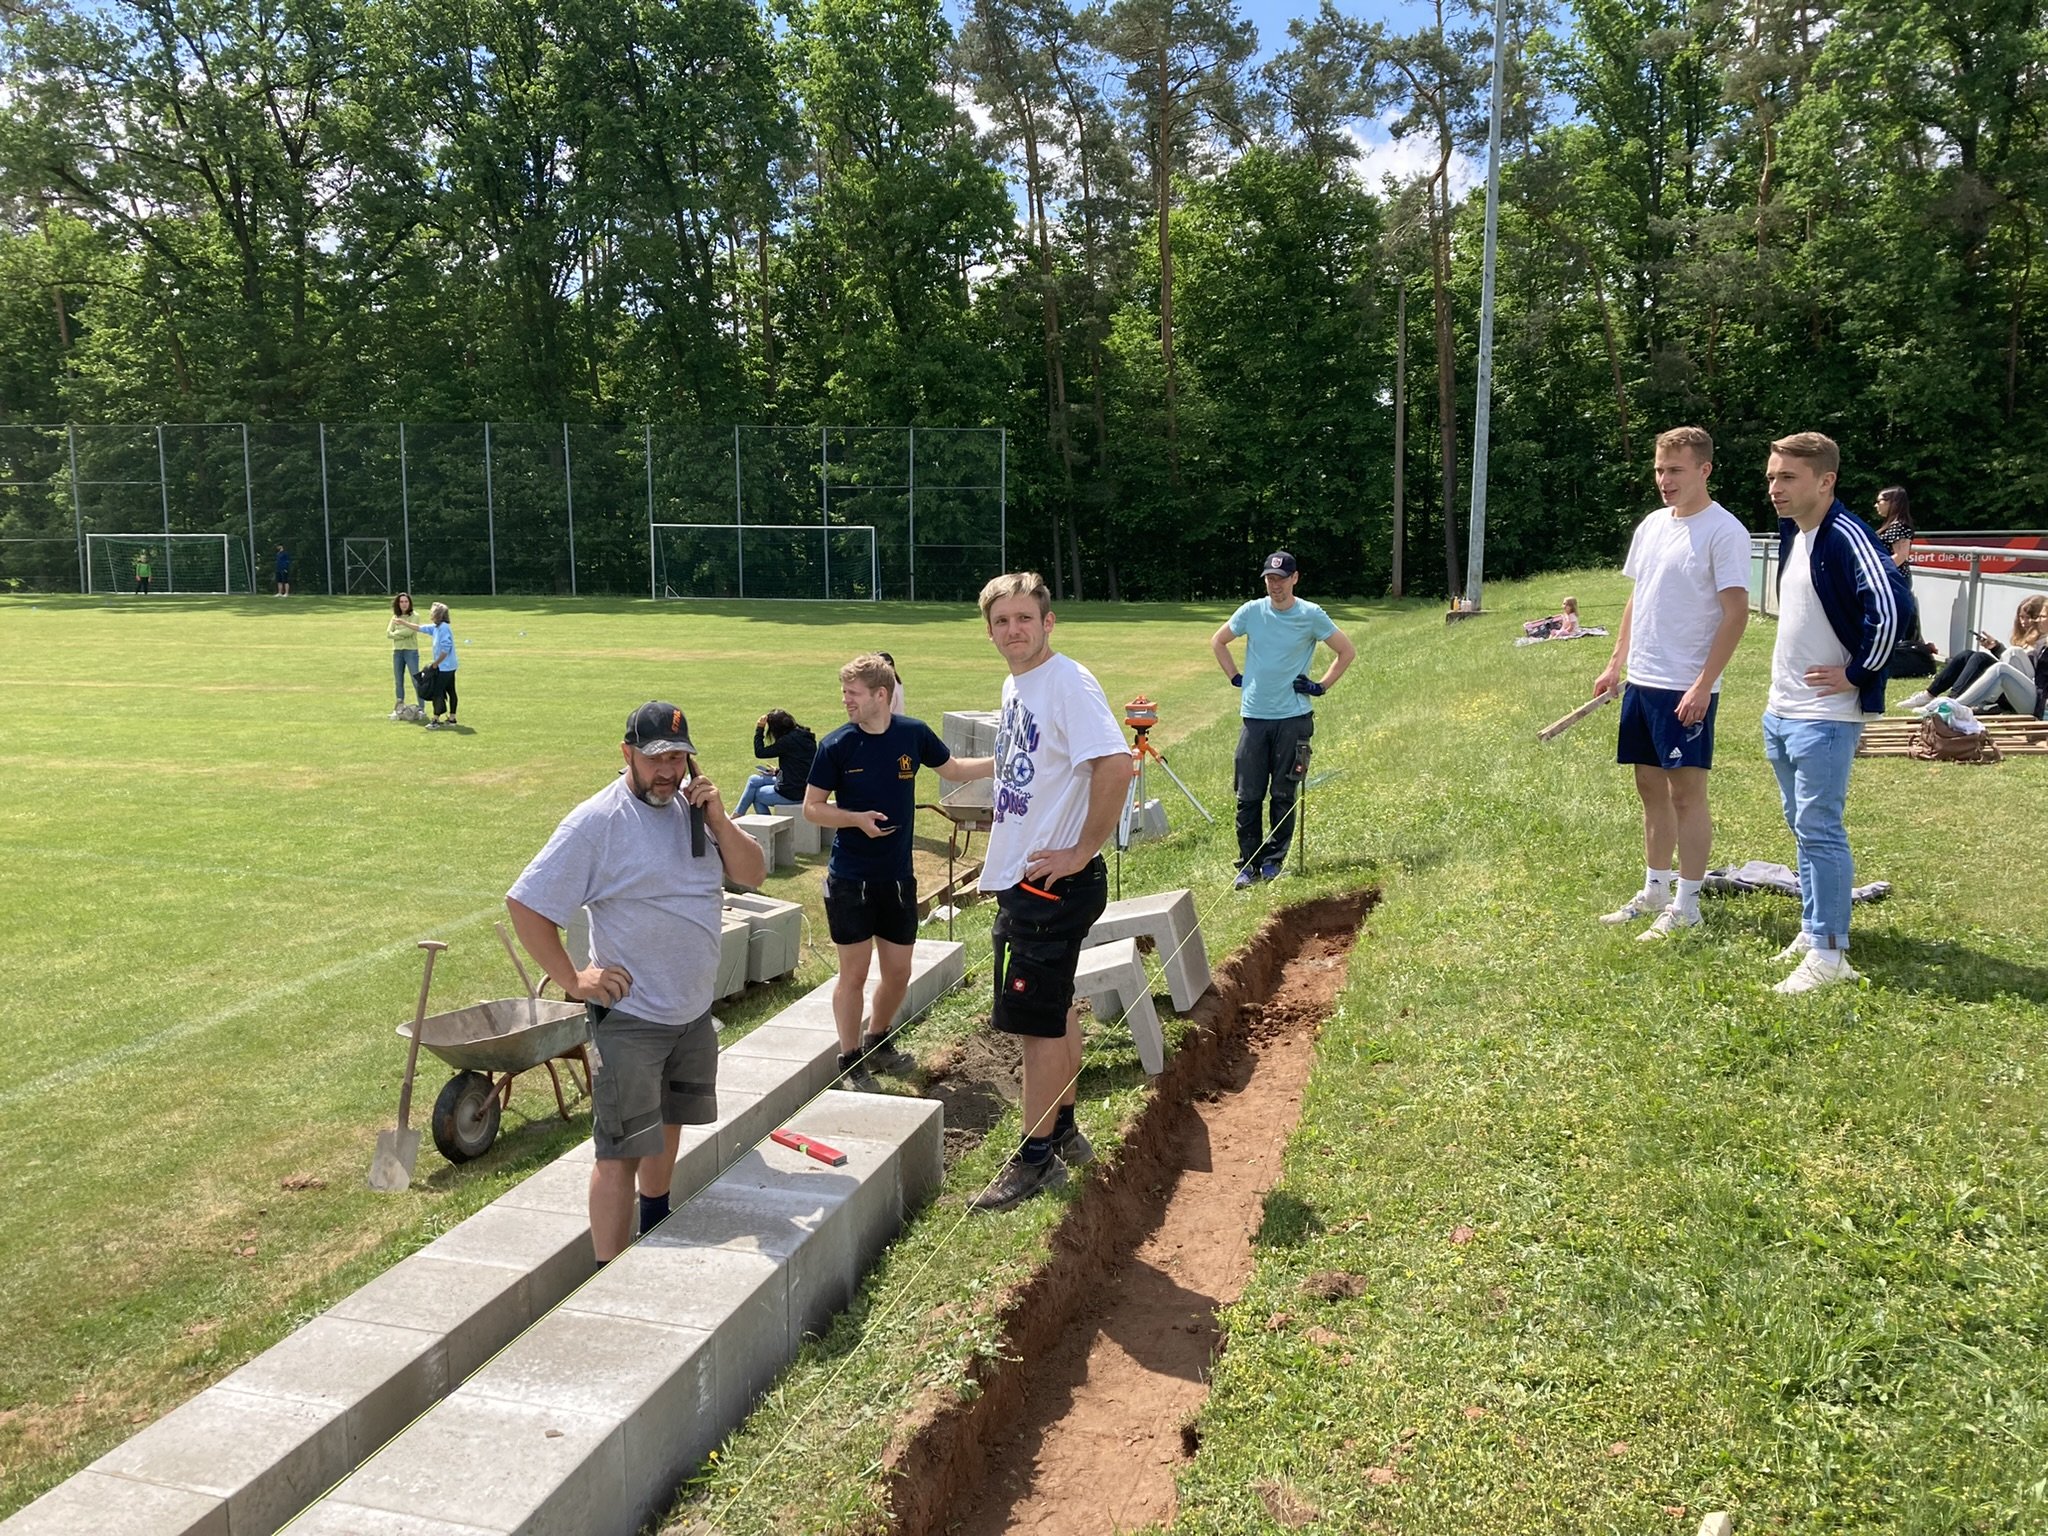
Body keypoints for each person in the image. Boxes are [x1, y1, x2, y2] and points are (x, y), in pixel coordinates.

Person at [507, 702, 767, 1262]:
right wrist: (574, 977)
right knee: (620, 1150)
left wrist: (720, 820)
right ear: (626, 753)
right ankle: (606, 1271)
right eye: (655, 759)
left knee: (669, 1121)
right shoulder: (597, 822)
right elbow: (526, 904)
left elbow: (753, 874)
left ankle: (655, 1223)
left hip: (690, 1012)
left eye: (678, 758)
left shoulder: (695, 809)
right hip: (631, 1018)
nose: (667, 771)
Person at [970, 572, 1131, 1212]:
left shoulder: (1067, 682)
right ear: (990, 631)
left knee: (1034, 1025)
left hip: (1050, 887)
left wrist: (1081, 850)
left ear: (1048, 622)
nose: (1013, 630)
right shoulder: (1017, 683)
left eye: (1024, 618)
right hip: (1030, 881)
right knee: (1056, 1008)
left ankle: (1033, 1159)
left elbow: (1115, 765)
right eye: (1001, 621)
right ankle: (1062, 1128)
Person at [1761, 432, 1909, 995]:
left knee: (1820, 829)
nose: (1775, 488)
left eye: (1787, 477)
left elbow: (1892, 607)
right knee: (1802, 825)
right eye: (1772, 476)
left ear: (1825, 481)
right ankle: (1812, 927)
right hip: (1783, 709)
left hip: (1825, 716)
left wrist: (1858, 673)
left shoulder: (1847, 534)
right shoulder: (1797, 532)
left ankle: (1830, 954)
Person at [1591, 427, 1753, 939]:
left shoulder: (1724, 531)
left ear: (1704, 470)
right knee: (1649, 788)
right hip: (1643, 680)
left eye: (1675, 470)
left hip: (1686, 686)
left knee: (1686, 794)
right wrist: (1616, 663)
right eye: (1660, 469)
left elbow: (1736, 613)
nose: (1664, 479)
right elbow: (1639, 598)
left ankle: (1688, 904)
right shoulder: (1653, 525)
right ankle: (1655, 890)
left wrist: (1704, 684)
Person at [803, 656, 992, 1089]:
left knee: (899, 972)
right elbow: (812, 808)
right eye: (844, 692)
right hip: (851, 879)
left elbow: (953, 769)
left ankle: (877, 1040)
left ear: (881, 695)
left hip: (898, 878)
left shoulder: (913, 734)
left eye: (853, 693)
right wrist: (855, 819)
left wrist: (1002, 761)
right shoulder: (836, 745)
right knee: (853, 974)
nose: (845, 700)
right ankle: (850, 1059)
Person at [1209, 551, 1357, 888]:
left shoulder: (1311, 615)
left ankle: (1274, 862)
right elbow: (1218, 641)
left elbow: (1346, 652)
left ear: (1295, 578)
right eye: (1269, 580)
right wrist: (1234, 676)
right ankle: (1248, 865)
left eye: (1281, 579)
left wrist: (1320, 686)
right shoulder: (1251, 611)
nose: (1275, 586)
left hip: (1293, 717)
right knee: (1248, 795)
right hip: (1255, 717)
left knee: (1282, 794)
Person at [1898, 595, 2048, 717]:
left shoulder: (2043, 643)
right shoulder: (2034, 640)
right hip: (2027, 694)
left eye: (2040, 616)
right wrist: (1996, 647)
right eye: (2021, 617)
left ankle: (1951, 704)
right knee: (1968, 655)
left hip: (2037, 703)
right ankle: (1932, 696)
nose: (2035, 620)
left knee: (1996, 659)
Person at [736, 710, 817, 815]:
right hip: (803, 787)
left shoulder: (786, 742)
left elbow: (760, 752)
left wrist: (760, 729)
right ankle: (736, 814)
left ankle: (760, 822)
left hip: (793, 793)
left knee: (756, 795)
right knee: (753, 780)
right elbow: (802, 765)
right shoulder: (804, 735)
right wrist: (777, 771)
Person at [387, 593, 424, 718]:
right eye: (401, 602)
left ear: (410, 603)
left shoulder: (415, 616)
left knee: (416, 680)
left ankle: (421, 709)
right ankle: (399, 708)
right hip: (397, 651)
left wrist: (397, 633)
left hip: (411, 651)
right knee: (398, 681)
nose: (404, 604)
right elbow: (388, 633)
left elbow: (409, 632)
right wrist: (400, 633)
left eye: (406, 601)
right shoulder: (395, 617)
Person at [1873, 486, 1914, 572]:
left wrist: (1877, 570)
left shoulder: (1900, 526)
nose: (1876, 505)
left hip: (1894, 576)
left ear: (1892, 502)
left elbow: (1900, 556)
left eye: (1879, 501)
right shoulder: (1893, 525)